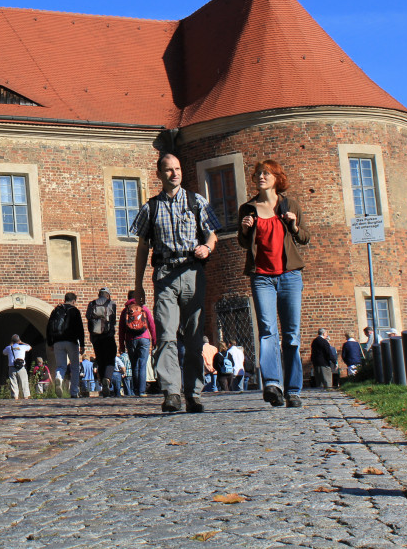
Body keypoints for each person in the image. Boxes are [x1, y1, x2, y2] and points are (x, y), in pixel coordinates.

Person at [131, 152, 219, 414]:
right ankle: (171, 392)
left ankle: (193, 394)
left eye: (177, 169)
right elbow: (142, 248)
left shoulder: (197, 201)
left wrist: (207, 247)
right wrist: (138, 285)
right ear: (159, 174)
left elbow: (212, 234)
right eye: (169, 170)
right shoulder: (151, 208)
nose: (174, 174)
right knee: (166, 335)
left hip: (192, 272)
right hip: (164, 275)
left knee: (194, 337)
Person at [237, 159, 311, 409]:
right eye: (258, 173)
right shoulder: (248, 208)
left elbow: (304, 238)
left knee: (291, 335)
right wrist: (245, 230)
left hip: (290, 276)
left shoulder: (290, 205)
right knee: (268, 330)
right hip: (262, 277)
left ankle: (293, 390)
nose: (260, 177)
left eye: (266, 173)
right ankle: (272, 385)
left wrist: (294, 225)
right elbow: (243, 242)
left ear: (277, 178)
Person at [46, 292, 85, 398]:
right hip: (71, 341)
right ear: (74, 301)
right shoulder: (74, 311)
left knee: (61, 366)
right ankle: (74, 392)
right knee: (75, 367)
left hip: (58, 341)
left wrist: (50, 342)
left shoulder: (56, 310)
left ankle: (59, 378)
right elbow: (80, 328)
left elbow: (49, 326)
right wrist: (82, 344)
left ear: (65, 299)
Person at [118, 295, 157, 397]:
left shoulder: (125, 311)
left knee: (134, 365)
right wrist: (154, 341)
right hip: (144, 338)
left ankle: (135, 389)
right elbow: (152, 325)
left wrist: (121, 345)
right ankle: (141, 391)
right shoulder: (143, 308)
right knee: (142, 365)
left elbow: (121, 329)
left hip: (130, 340)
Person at [85, 288, 118, 395]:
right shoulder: (111, 304)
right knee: (110, 358)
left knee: (100, 360)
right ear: (108, 295)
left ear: (99, 294)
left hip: (96, 337)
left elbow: (88, 318)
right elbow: (113, 321)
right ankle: (107, 379)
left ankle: (103, 384)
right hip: (108, 336)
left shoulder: (92, 304)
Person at [3, 334, 32, 398]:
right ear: (19, 340)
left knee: (13, 383)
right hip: (21, 367)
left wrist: (11, 344)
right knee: (24, 383)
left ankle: (15, 397)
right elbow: (30, 347)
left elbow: (4, 352)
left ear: (12, 341)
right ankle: (25, 397)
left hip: (12, 367)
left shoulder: (9, 348)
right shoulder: (23, 347)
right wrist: (22, 342)